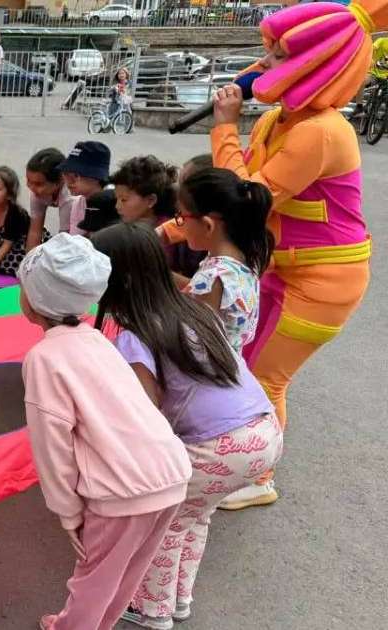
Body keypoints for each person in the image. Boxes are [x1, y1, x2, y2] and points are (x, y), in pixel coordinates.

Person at [197, 0, 380, 510]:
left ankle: (259, 474)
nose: (260, 67)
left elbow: (244, 197)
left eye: (275, 57)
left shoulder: (321, 131)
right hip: (278, 268)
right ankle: (249, 460)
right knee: (247, 364)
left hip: (325, 284)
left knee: (265, 376)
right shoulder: (278, 120)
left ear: (314, 64)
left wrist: (224, 126)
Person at [89, 224, 282, 630]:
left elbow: (148, 415)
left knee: (167, 523)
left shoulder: (135, 335)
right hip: (263, 432)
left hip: (219, 445)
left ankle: (152, 610)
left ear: (114, 280)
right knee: (196, 516)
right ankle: (178, 599)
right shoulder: (192, 307)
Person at [16, 233, 191, 630]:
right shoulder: (97, 339)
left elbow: (52, 445)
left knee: (93, 579)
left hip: (121, 489)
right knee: (125, 573)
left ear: (34, 299)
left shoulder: (45, 358)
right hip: (170, 473)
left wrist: (67, 512)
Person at [176, 168, 275, 354]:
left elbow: (189, 342)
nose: (179, 224)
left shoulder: (213, 278)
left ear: (207, 225)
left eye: (181, 217)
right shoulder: (244, 258)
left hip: (205, 376)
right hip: (231, 367)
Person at [0, 166, 45, 276]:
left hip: (20, 246)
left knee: (10, 265)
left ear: (9, 194)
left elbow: (7, 244)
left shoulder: (16, 214)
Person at [24, 147, 84, 250]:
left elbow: (64, 237)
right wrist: (28, 261)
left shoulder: (69, 197)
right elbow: (35, 231)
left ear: (59, 181)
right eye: (29, 181)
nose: (32, 187)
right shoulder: (37, 193)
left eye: (38, 184)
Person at [59, 140, 111, 236]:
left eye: (76, 175)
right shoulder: (78, 203)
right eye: (66, 174)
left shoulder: (115, 202)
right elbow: (75, 241)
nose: (69, 182)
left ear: (97, 177)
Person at [111, 156, 177, 228]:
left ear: (151, 201)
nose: (117, 206)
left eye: (124, 200)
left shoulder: (166, 234)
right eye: (117, 199)